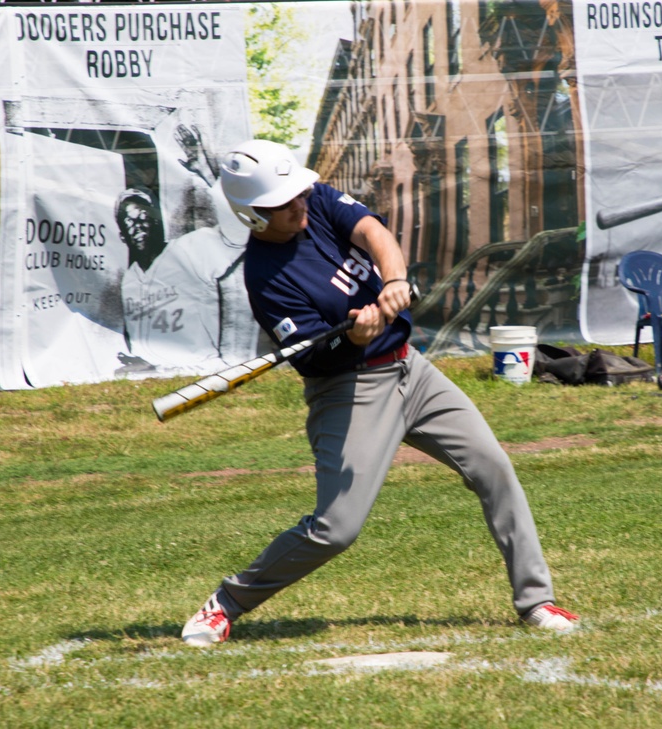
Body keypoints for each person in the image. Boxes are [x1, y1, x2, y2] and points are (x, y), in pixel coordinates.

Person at [181, 139, 578, 646]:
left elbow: (372, 230)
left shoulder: (316, 199)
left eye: (298, 194)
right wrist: (353, 334)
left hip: (412, 370)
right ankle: (227, 603)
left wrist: (394, 278)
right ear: (252, 216)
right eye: (282, 204)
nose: (298, 204)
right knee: (335, 529)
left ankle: (536, 600)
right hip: (350, 388)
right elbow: (310, 357)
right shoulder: (265, 277)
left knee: (493, 466)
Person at [114, 185, 257, 375]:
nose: (138, 226)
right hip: (151, 374)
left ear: (157, 222)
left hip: (200, 368)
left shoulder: (190, 248)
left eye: (143, 217)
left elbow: (237, 235)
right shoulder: (129, 280)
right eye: (129, 222)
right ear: (122, 236)